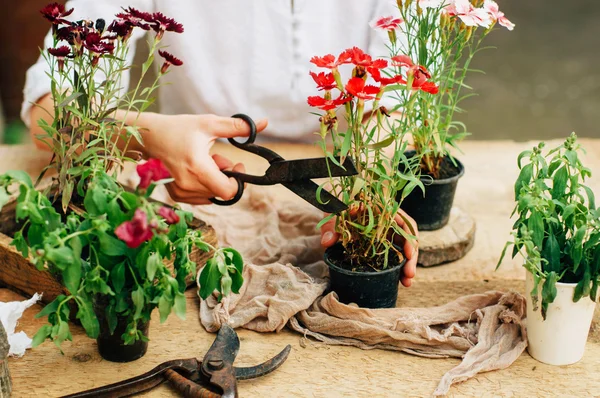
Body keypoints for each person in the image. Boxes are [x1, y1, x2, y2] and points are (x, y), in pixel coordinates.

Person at [22, 0, 417, 286]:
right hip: (204, 178)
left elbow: (398, 103)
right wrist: (149, 137)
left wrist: (371, 190)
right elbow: (45, 112)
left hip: (342, 169)